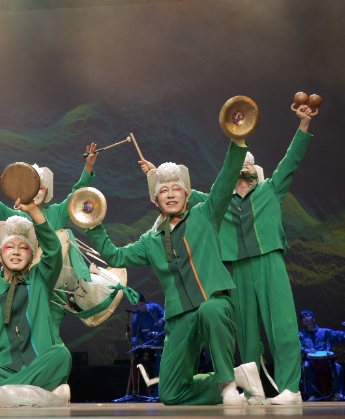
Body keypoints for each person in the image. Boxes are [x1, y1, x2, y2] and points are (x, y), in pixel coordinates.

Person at [139, 104, 315, 405]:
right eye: (239, 164)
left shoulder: (270, 189)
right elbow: (176, 195)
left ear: (255, 168)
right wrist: (155, 174)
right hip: (236, 269)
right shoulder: (217, 202)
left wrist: (304, 125)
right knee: (245, 333)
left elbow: (291, 160)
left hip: (269, 261)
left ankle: (291, 388)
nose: (243, 167)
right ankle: (252, 389)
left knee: (282, 326)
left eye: (248, 163)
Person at [86, 139, 265, 406]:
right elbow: (115, 256)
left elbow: (227, 178)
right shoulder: (150, 240)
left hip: (214, 303)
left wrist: (237, 141)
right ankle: (237, 376)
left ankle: (228, 386)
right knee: (170, 394)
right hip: (179, 319)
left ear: (186, 194)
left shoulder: (205, 214)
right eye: (163, 191)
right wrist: (92, 223)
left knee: (210, 310)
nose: (170, 195)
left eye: (176, 189)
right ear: (155, 199)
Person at [0, 143, 99, 340]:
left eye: (40, 187)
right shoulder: (16, 217)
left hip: (52, 289)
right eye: (31, 187)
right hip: (22, 287)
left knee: (50, 338)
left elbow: (76, 196)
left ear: (46, 191)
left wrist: (88, 167)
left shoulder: (56, 213)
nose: (35, 192)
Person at [0, 199, 71, 402]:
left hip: (38, 366)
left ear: (32, 254)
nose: (16, 252)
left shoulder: (40, 279)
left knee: (61, 355)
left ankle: (3, 395)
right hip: (1, 370)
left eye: (23, 247)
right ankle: (35, 394)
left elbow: (53, 250)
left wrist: (34, 211)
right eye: (9, 247)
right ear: (0, 253)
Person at [299, 310, 345, 400]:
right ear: (302, 321)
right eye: (303, 317)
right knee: (305, 367)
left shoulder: (325, 332)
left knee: (338, 367)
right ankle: (312, 394)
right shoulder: (300, 335)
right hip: (311, 362)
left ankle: (337, 393)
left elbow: (339, 336)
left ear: (313, 318)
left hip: (327, 361)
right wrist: (305, 350)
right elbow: (296, 348)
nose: (306, 318)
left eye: (308, 316)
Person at [131, 293, 165, 396]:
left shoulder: (155, 308)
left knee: (163, 368)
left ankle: (164, 392)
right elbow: (135, 335)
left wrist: (161, 320)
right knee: (152, 369)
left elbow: (166, 315)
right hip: (150, 348)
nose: (139, 308)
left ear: (144, 302)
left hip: (163, 344)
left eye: (141, 305)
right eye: (137, 306)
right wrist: (134, 342)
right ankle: (155, 393)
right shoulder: (136, 317)